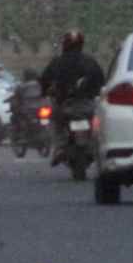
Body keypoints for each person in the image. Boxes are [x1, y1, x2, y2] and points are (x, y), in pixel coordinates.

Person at [39, 30, 105, 165]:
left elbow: (44, 80)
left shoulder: (57, 62)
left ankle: (59, 147)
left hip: (64, 105)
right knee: (98, 123)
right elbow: (101, 81)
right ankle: (93, 147)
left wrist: (45, 91)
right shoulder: (90, 61)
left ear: (64, 44)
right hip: (87, 105)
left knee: (54, 121)